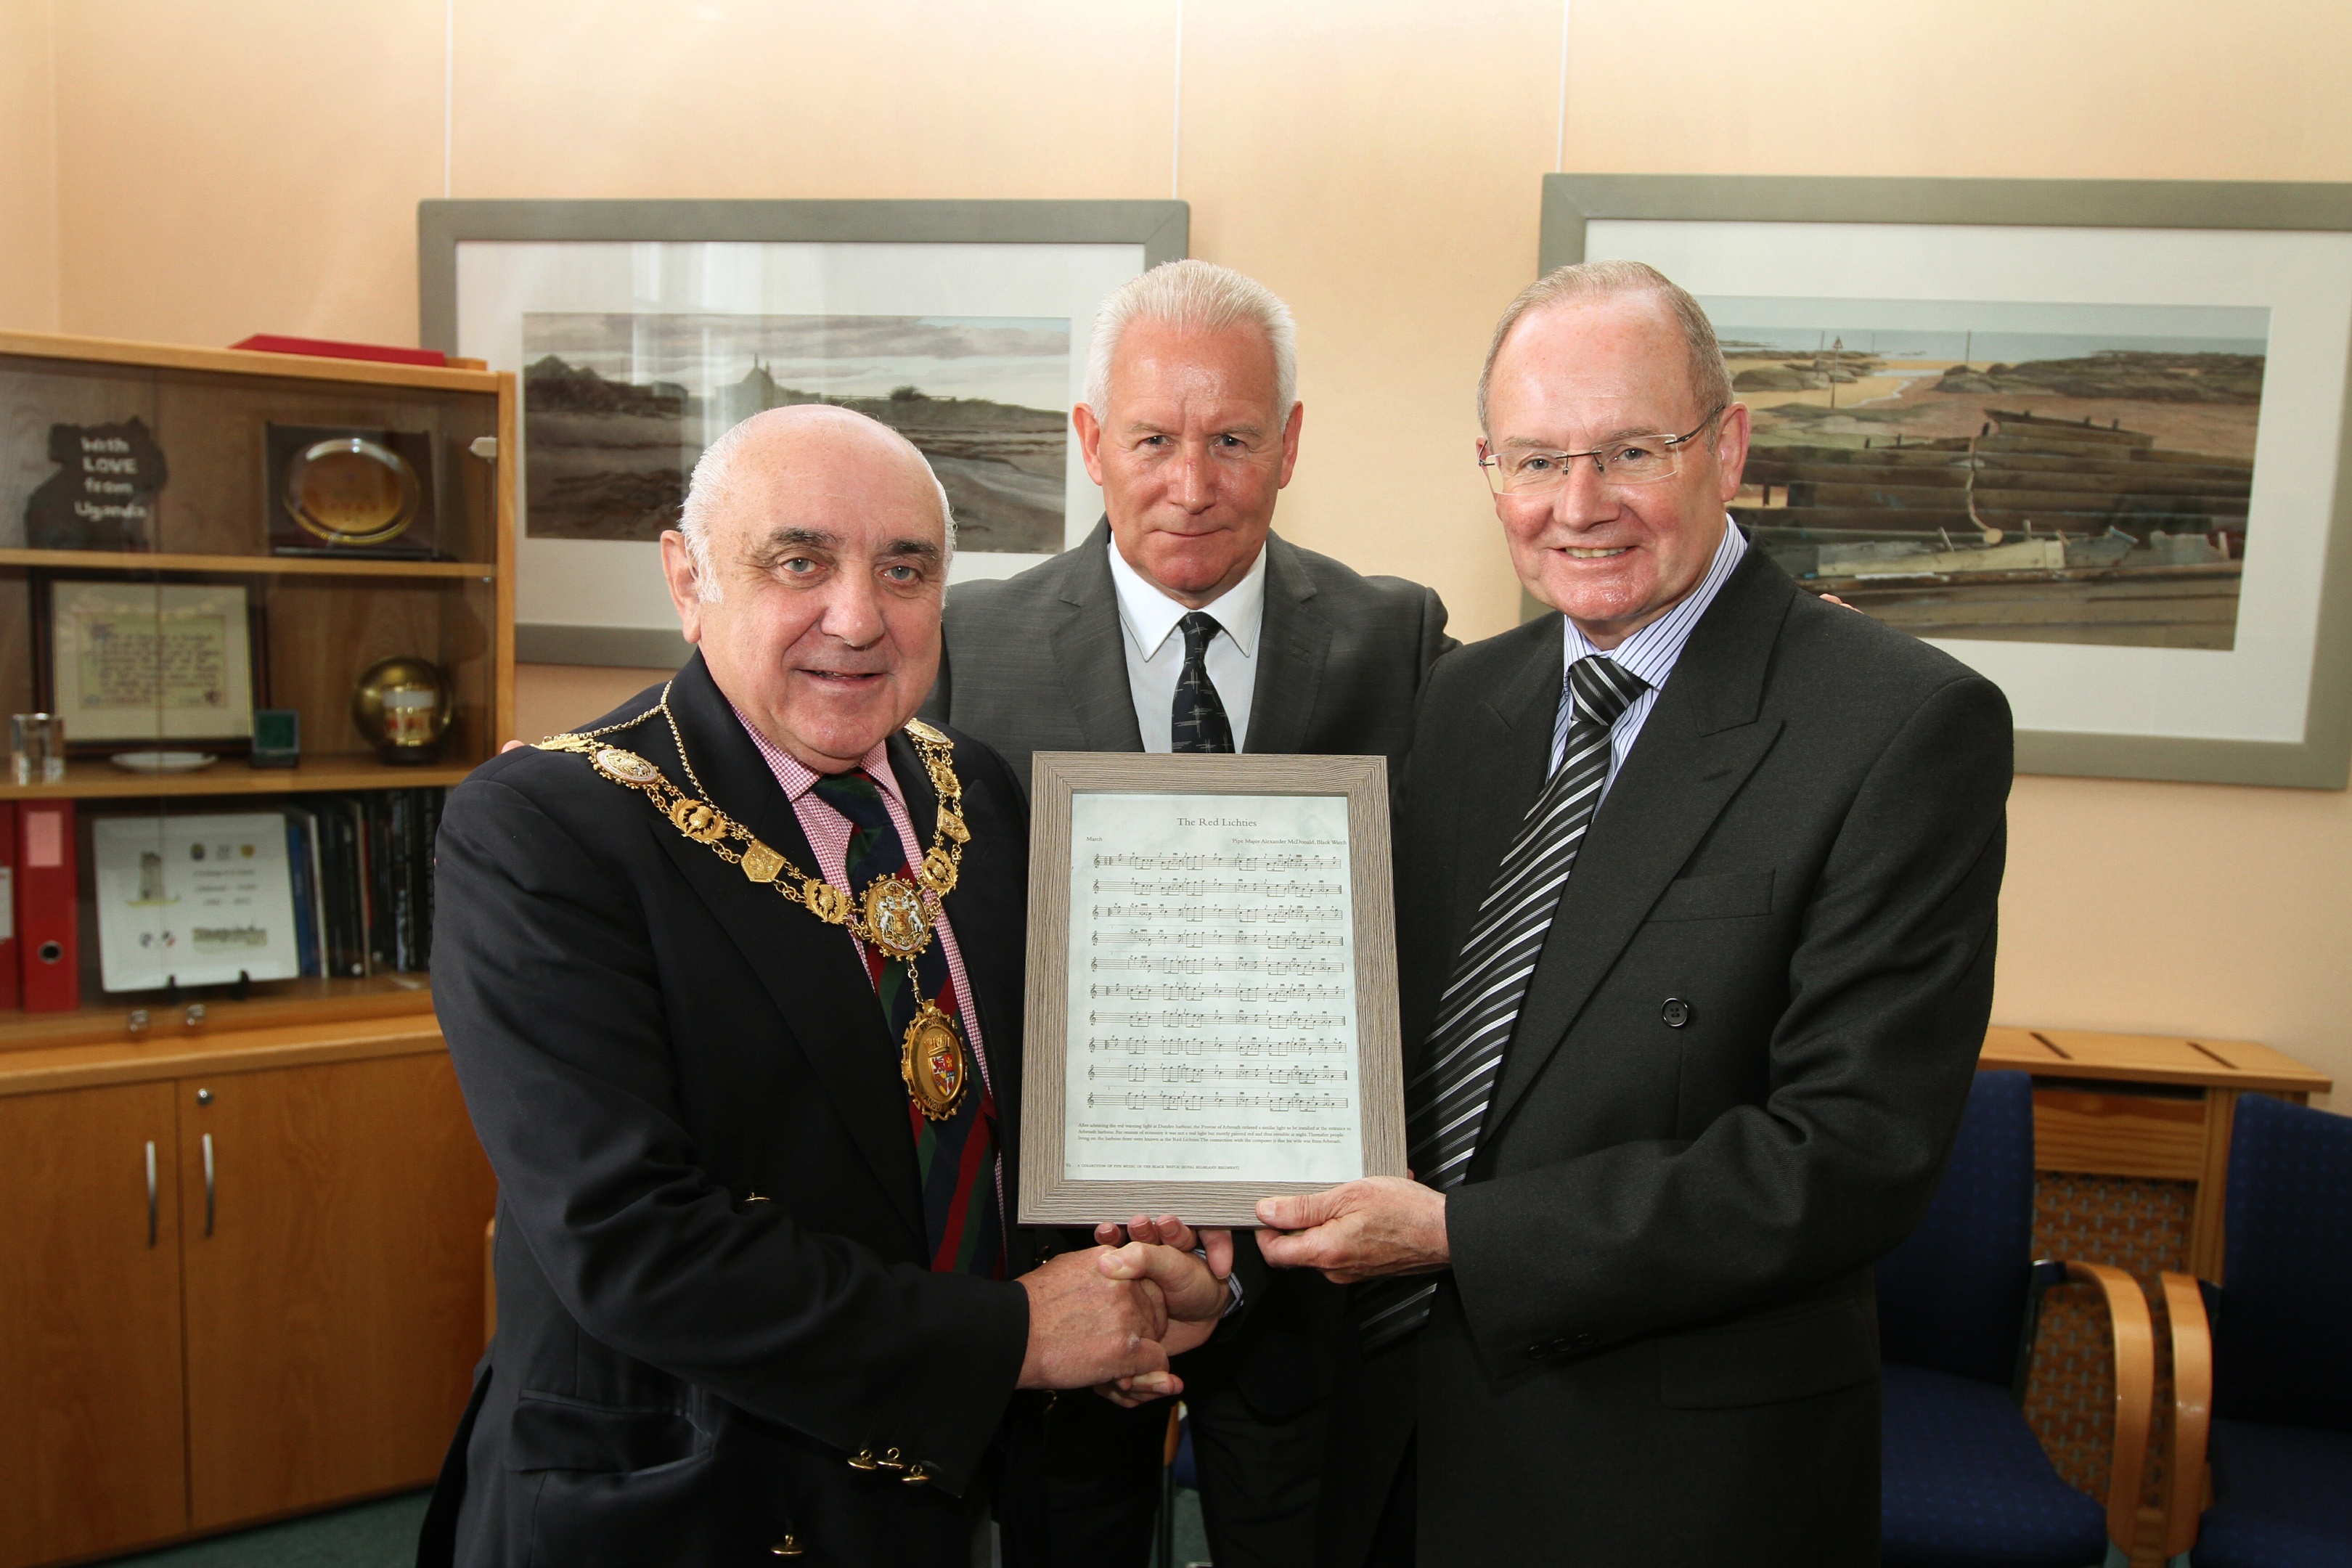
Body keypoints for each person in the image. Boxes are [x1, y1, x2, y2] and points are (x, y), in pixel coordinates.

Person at [1256, 260, 2014, 1567]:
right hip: (1401, 1444)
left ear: (1728, 448)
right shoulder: (1459, 708)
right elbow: (1381, 1037)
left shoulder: (1898, 725)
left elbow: (1845, 1157)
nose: (1580, 506)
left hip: (1668, 1480)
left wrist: (1458, 1239)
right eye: (1535, 460)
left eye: (1629, 452)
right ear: (1488, 469)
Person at [417, 404, 1229, 1568]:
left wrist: (1140, 1279)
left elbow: (1007, 1144)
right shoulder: (549, 828)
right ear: (686, 579)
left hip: (969, 1494)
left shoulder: (979, 794)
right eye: (799, 562)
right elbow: (632, 1243)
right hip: (699, 1497)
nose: (858, 619)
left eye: (905, 569)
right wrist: (1012, 1336)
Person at [920, 258, 1456, 1568]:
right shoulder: (965, 647)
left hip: (1307, 1255)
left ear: (1290, 445)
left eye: (1232, 439)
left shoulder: (1402, 639)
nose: (1194, 484)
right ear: (1093, 443)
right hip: (1061, 1259)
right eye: (1154, 439)